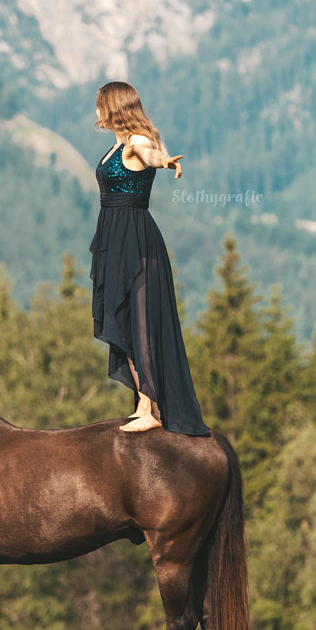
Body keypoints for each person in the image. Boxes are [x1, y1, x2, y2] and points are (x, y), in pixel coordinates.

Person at [89, 80, 210, 436]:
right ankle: (144, 402)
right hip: (116, 238)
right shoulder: (115, 146)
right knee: (124, 319)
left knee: (142, 323)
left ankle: (154, 407)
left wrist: (164, 161)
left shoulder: (137, 142)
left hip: (136, 240)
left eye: (100, 104)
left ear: (113, 106)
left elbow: (150, 155)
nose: (96, 111)